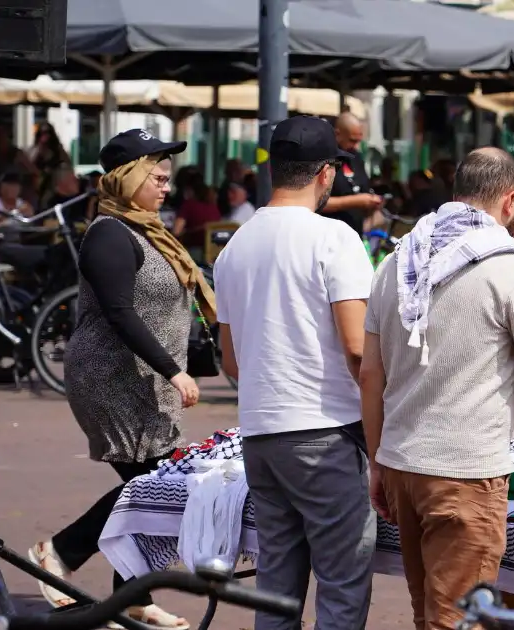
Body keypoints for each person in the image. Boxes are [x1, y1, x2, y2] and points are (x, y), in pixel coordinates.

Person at [360, 147, 514, 630]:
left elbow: (369, 375)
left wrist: (376, 462)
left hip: (402, 462)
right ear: (510, 200)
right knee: (460, 620)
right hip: (465, 471)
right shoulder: (510, 267)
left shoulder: (400, 260)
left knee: (428, 612)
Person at [29, 129, 210, 630]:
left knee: (158, 489)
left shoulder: (149, 229)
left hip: (146, 381)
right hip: (113, 379)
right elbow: (119, 313)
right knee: (159, 489)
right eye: (156, 177)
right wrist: (175, 371)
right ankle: (60, 551)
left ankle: (130, 595)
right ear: (127, 178)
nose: (165, 186)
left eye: (168, 178)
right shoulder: (110, 233)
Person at [214, 115, 377, 630]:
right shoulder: (335, 238)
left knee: (277, 587)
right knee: (342, 584)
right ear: (327, 173)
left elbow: (231, 360)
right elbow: (358, 349)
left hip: (262, 432)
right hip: (325, 430)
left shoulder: (235, 245)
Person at [319, 112, 382, 234]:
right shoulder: (324, 159)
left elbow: (364, 189)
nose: (355, 145)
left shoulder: (355, 157)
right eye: (352, 140)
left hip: (355, 232)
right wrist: (355, 201)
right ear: (337, 134)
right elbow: (318, 202)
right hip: (330, 234)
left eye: (358, 140)